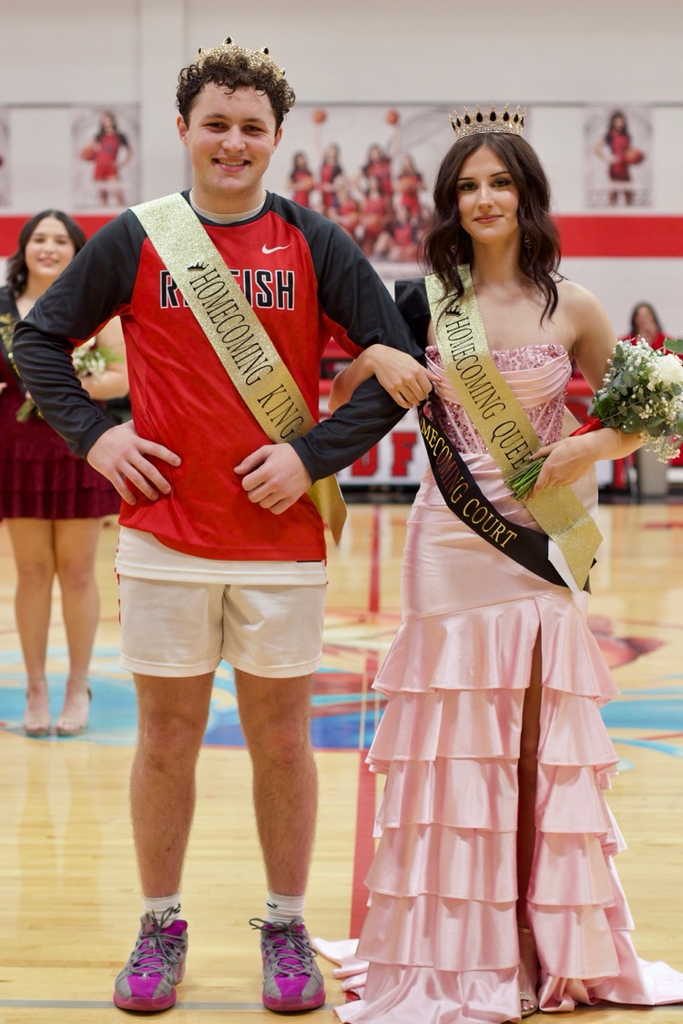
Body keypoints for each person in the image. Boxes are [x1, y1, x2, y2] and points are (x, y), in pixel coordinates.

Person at [12, 38, 423, 1016]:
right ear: (185, 132)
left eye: (250, 128)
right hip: (162, 540)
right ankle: (159, 922)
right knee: (164, 740)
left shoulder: (316, 240)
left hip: (279, 548)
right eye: (215, 125)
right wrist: (97, 438)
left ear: (275, 138)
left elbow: (396, 361)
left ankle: (284, 923)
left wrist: (312, 453)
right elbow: (37, 339)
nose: (232, 143)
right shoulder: (134, 237)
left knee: (282, 743)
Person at [326, 106, 683, 1022]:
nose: (483, 198)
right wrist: (371, 355)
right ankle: (455, 956)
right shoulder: (418, 300)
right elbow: (348, 382)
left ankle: (536, 947)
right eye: (467, 186)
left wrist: (584, 450)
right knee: (454, 744)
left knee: (531, 745)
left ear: (527, 195)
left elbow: (644, 416)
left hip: (544, 541)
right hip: (449, 539)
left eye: (499, 182)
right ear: (449, 203)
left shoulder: (577, 304)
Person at [0, 210, 127, 737]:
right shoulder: (2, 309)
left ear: (79, 251)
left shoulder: (97, 308)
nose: (48, 248)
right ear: (24, 248)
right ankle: (35, 686)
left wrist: (65, 378)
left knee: (77, 574)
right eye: (39, 239)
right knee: (30, 574)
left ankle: (78, 685)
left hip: (83, 445)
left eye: (61, 240)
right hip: (18, 449)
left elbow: (121, 376)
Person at [80, 110, 131, 206]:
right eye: (104, 121)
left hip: (111, 167)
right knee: (102, 194)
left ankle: (126, 216)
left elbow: (129, 151)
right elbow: (88, 148)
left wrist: (122, 162)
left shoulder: (120, 136)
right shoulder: (99, 136)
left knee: (117, 192)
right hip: (99, 167)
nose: (107, 123)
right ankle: (104, 216)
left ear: (113, 121)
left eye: (108, 120)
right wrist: (88, 153)